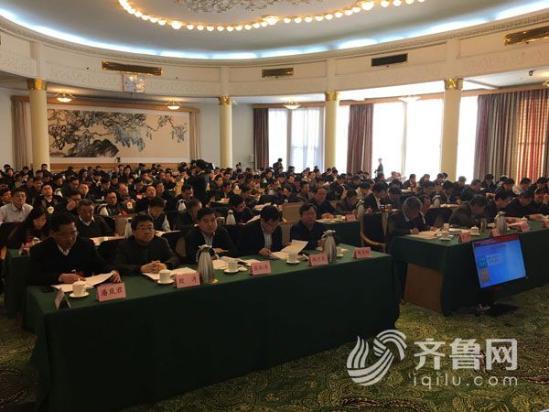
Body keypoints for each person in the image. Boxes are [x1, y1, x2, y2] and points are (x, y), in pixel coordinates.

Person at [29, 213, 120, 285]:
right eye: (63, 234)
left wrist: (111, 272)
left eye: (73, 233)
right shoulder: (39, 250)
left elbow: (101, 265)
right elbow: (33, 277)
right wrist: (60, 277)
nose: (70, 239)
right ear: (52, 233)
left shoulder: (86, 245)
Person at [114, 214, 179, 276]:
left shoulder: (161, 241)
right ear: (133, 232)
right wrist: (141, 268)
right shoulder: (124, 245)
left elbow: (174, 258)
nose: (147, 232)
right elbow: (118, 266)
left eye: (150, 228)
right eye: (143, 229)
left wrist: (165, 265)